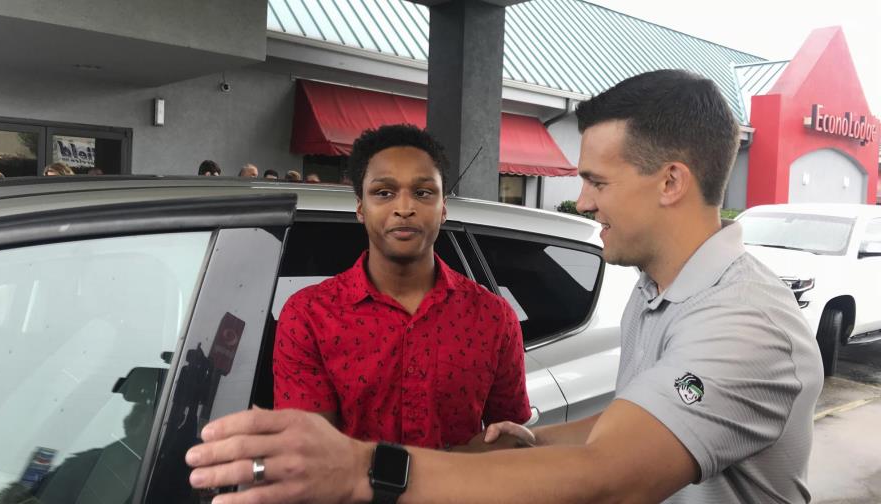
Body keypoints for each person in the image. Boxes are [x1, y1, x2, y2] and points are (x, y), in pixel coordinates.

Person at [186, 70, 824, 504]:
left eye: (597, 182)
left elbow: (609, 477)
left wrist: (360, 469)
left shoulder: (745, 325)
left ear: (671, 182)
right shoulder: (659, 292)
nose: (580, 203)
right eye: (383, 193)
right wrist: (533, 442)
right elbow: (626, 423)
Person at [273, 124, 530, 451]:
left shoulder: (494, 318)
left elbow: (509, 440)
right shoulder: (308, 316)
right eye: (384, 192)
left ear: (444, 207)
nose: (404, 207)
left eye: (423, 192)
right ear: (360, 208)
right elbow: (310, 453)